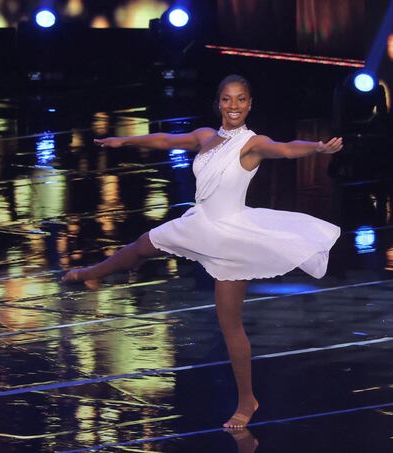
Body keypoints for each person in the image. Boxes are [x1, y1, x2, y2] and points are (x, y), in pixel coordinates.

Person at [62, 74, 343, 428]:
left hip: (229, 238)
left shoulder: (252, 143)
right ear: (219, 102)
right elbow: (164, 139)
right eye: (227, 99)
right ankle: (89, 274)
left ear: (250, 104)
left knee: (229, 323)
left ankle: (247, 401)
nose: (234, 106)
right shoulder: (205, 137)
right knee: (141, 246)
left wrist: (316, 148)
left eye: (241, 99)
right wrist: (124, 140)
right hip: (198, 225)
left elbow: (285, 148)